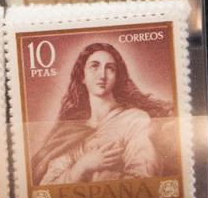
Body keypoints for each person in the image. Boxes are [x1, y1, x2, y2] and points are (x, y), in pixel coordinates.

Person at [32, 42, 172, 185]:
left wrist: (97, 178)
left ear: (117, 77)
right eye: (94, 66)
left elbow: (144, 177)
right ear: (82, 76)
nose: (102, 75)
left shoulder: (134, 119)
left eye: (110, 68)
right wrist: (82, 166)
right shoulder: (71, 130)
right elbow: (48, 185)